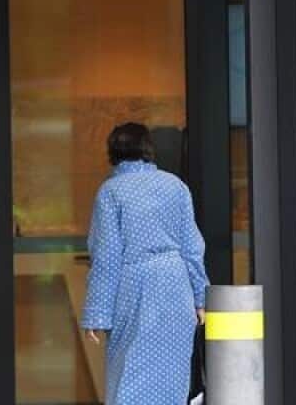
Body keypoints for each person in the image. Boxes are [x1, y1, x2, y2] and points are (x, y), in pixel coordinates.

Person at [81, 122, 209, 405]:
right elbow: (192, 248)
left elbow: (107, 257)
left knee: (129, 374)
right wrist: (200, 298)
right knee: (172, 377)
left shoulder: (112, 192)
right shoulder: (176, 186)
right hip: (176, 288)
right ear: (148, 149)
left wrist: (96, 314)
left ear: (112, 152)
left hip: (135, 288)